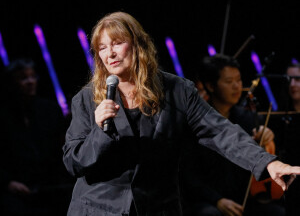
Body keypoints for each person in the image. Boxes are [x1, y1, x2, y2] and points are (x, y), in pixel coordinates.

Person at [62, 11, 300, 216]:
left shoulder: (177, 91)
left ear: (138, 44)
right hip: (97, 208)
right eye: (102, 47)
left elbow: (221, 131)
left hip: (157, 208)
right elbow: (74, 162)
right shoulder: (87, 99)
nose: (109, 54)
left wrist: (268, 163)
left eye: (116, 43)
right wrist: (99, 132)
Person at [180, 54, 286, 216]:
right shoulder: (193, 123)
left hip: (244, 200)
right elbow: (188, 176)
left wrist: (268, 141)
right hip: (208, 201)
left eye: (239, 80)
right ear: (211, 86)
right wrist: (217, 200)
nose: (237, 87)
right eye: (229, 82)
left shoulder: (248, 119)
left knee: (276, 212)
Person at [0, 58, 73, 216]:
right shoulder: (3, 116)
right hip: (18, 185)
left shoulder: (49, 110)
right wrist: (7, 182)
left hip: (51, 183)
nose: (30, 82)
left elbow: (61, 147)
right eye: (23, 78)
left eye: (33, 76)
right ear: (12, 82)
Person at [268, 62, 300, 216]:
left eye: (297, 79)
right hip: (284, 180)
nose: (293, 84)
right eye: (289, 79)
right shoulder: (278, 118)